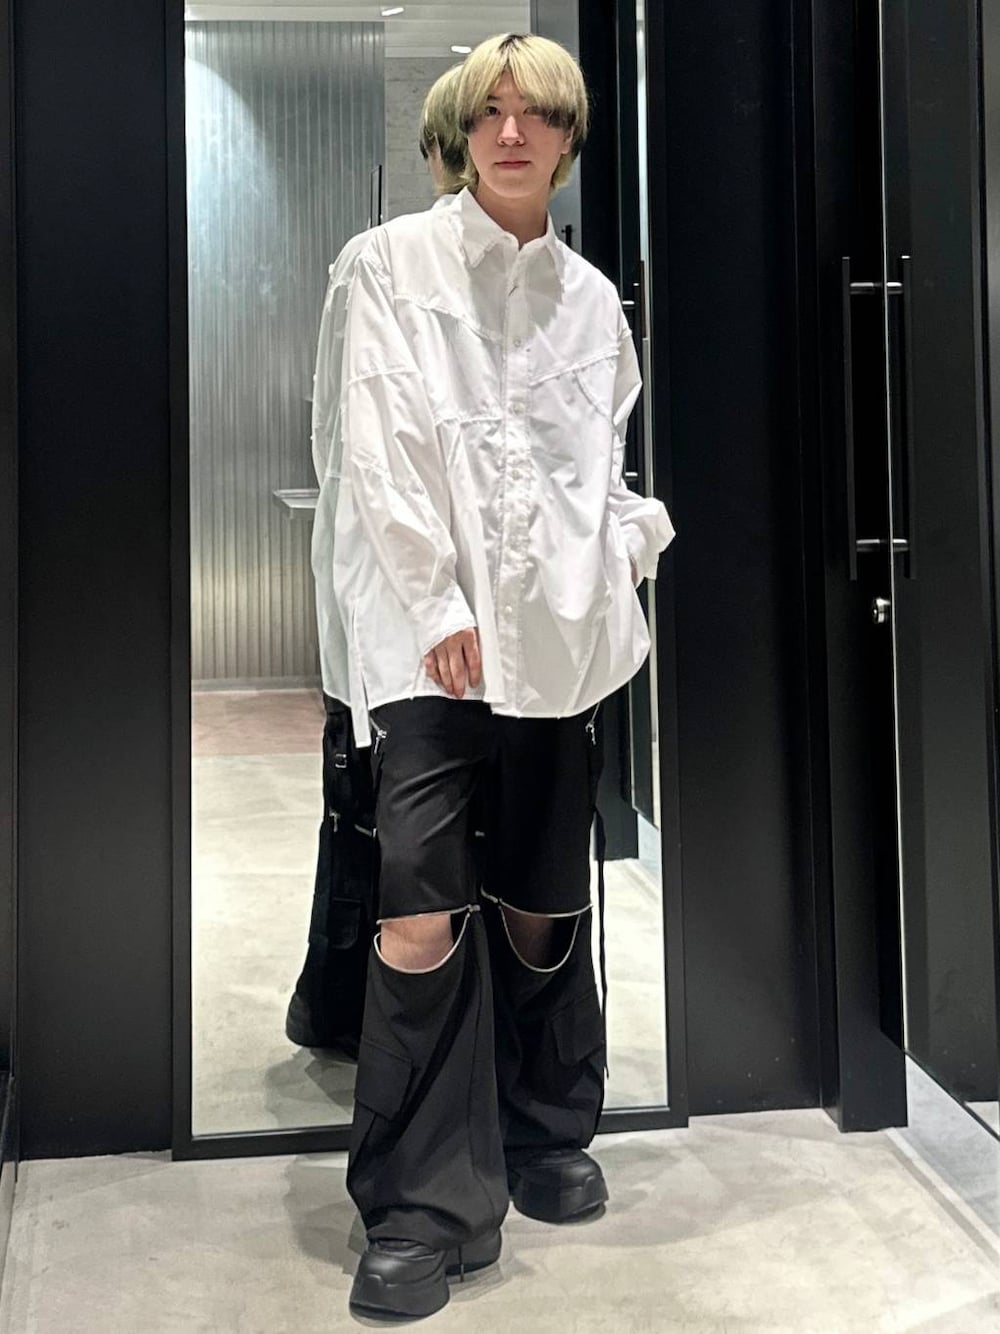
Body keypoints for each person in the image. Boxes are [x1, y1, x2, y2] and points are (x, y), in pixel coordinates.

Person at [335, 33, 675, 1319]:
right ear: (461, 130)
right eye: (491, 111)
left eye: (538, 114)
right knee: (420, 913)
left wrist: (629, 545)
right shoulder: (391, 264)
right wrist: (436, 599)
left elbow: (600, 468)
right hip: (432, 649)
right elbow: (379, 443)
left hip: (556, 648)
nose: (512, 132)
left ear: (570, 138)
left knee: (540, 898)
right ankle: (419, 1204)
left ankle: (543, 1125)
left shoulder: (591, 302)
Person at [284, 65, 468, 1056]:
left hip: (457, 613)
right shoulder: (378, 262)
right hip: (389, 602)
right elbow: (351, 445)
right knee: (377, 813)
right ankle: (358, 1016)